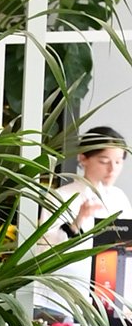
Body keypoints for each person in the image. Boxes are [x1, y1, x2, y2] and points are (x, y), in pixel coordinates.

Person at [54, 124, 130, 304]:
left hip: (108, 294)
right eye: (104, 161)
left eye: (118, 162)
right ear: (83, 158)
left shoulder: (119, 198)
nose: (112, 169)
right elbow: (46, 250)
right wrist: (77, 222)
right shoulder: (61, 197)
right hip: (64, 296)